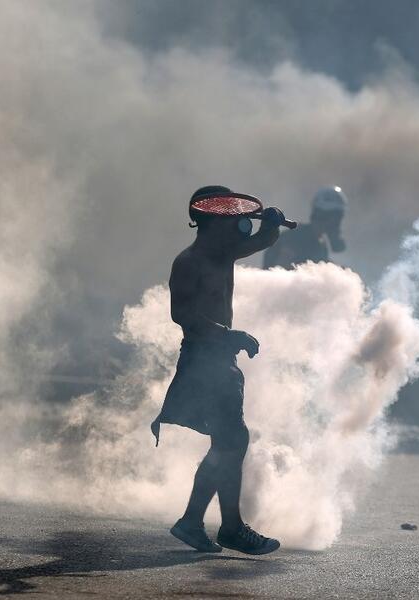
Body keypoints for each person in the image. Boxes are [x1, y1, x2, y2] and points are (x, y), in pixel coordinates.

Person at [151, 185, 288, 554]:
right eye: (229, 217)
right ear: (209, 222)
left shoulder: (223, 254)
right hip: (203, 359)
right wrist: (230, 335)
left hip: (219, 361)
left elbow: (261, 241)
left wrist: (272, 225)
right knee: (232, 439)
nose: (237, 225)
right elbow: (183, 316)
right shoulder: (189, 262)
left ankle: (201, 523)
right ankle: (223, 526)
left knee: (230, 441)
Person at [262, 186, 347, 268]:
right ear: (324, 215)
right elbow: (279, 270)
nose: (338, 223)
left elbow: (318, 263)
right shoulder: (295, 237)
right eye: (337, 217)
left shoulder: (321, 242)